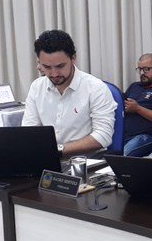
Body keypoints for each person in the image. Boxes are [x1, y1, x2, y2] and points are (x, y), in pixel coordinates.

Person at [22, 29, 116, 157]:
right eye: (47, 67)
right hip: (47, 159)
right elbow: (29, 131)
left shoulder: (95, 88)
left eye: (60, 66)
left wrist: (58, 150)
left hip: (87, 161)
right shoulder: (37, 87)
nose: (54, 73)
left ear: (73, 58)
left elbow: (103, 136)